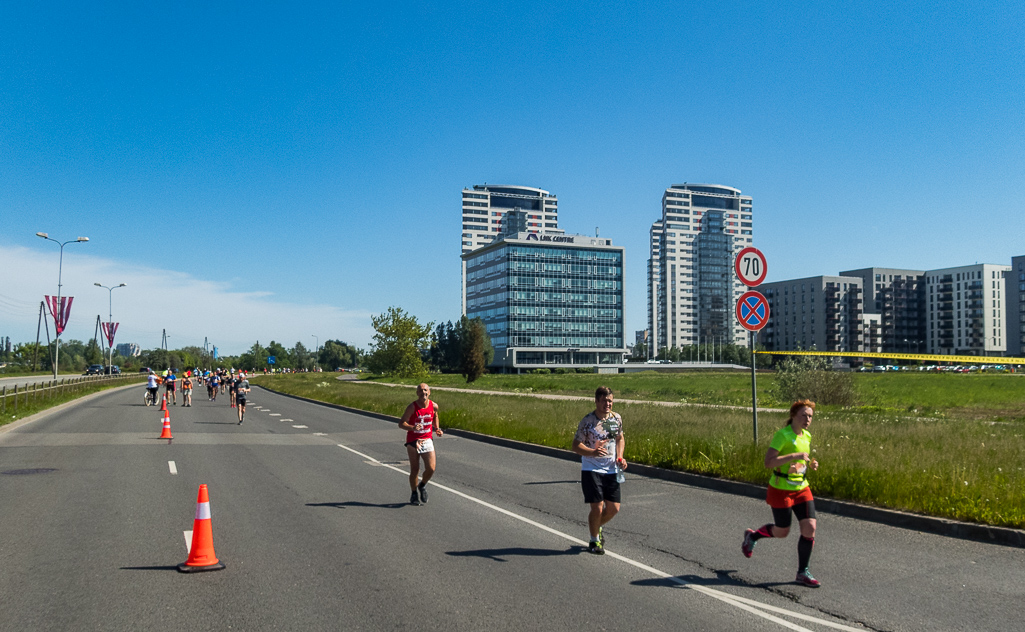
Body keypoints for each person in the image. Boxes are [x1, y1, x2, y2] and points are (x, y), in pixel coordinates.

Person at [742, 399, 821, 588]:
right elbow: (769, 462)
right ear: (793, 415)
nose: (807, 419)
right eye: (804, 415)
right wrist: (793, 456)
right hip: (780, 488)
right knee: (782, 531)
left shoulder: (807, 436)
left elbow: (802, 460)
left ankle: (802, 573)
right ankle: (753, 537)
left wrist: (811, 464)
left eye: (810, 416)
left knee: (810, 527)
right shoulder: (782, 435)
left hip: (801, 487)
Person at [572, 386, 627, 555]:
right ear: (596, 401)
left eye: (609, 400)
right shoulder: (588, 421)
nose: (607, 404)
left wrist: (620, 457)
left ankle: (598, 526)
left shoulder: (616, 418)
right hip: (591, 468)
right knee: (597, 507)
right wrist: (592, 452)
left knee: (614, 508)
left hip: (611, 469)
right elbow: (575, 445)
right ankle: (594, 540)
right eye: (603, 401)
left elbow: (620, 439)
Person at [397, 383, 443, 506]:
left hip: (427, 439)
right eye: (421, 391)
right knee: (415, 469)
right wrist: (412, 427)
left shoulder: (434, 406)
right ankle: (413, 493)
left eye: (426, 390)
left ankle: (422, 486)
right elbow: (401, 423)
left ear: (430, 392)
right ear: (417, 393)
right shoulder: (412, 407)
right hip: (413, 440)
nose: (424, 393)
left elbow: (435, 416)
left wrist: (437, 428)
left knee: (431, 468)